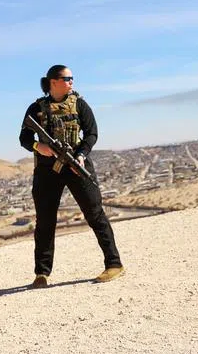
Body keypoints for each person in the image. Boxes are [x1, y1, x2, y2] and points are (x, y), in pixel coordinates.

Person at [18, 65, 124, 287]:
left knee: (95, 214)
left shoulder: (79, 104)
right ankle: (42, 274)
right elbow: (24, 138)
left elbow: (92, 133)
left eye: (72, 78)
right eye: (68, 78)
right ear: (53, 81)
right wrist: (39, 146)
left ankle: (114, 264)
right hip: (47, 170)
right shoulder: (36, 108)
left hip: (76, 164)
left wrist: (82, 155)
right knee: (45, 221)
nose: (72, 82)